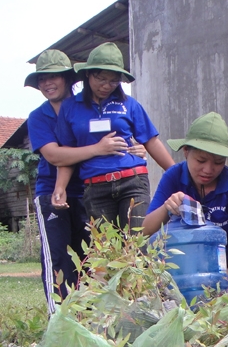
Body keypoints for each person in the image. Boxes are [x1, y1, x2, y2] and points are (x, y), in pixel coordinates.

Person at [26, 49, 146, 313]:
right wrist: (97, 149)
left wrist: (134, 148)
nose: (47, 83)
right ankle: (58, 321)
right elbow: (55, 155)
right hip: (52, 193)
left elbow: (121, 134)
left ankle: (93, 317)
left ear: (70, 78)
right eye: (41, 79)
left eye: (54, 77)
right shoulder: (38, 117)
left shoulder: (89, 107)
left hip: (91, 191)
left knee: (94, 258)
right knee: (59, 258)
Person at [142, 112, 228, 291]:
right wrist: (166, 208)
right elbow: (144, 231)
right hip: (196, 266)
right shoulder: (173, 177)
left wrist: (222, 303)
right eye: (201, 160)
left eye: (218, 162)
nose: (208, 169)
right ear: (186, 152)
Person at [53, 42, 174, 230]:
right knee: (106, 251)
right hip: (96, 187)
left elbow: (151, 141)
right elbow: (67, 154)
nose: (106, 86)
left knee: (136, 245)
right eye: (101, 78)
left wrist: (177, 174)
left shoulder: (130, 105)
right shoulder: (70, 108)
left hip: (132, 181)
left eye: (113, 81)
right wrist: (60, 188)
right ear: (88, 73)